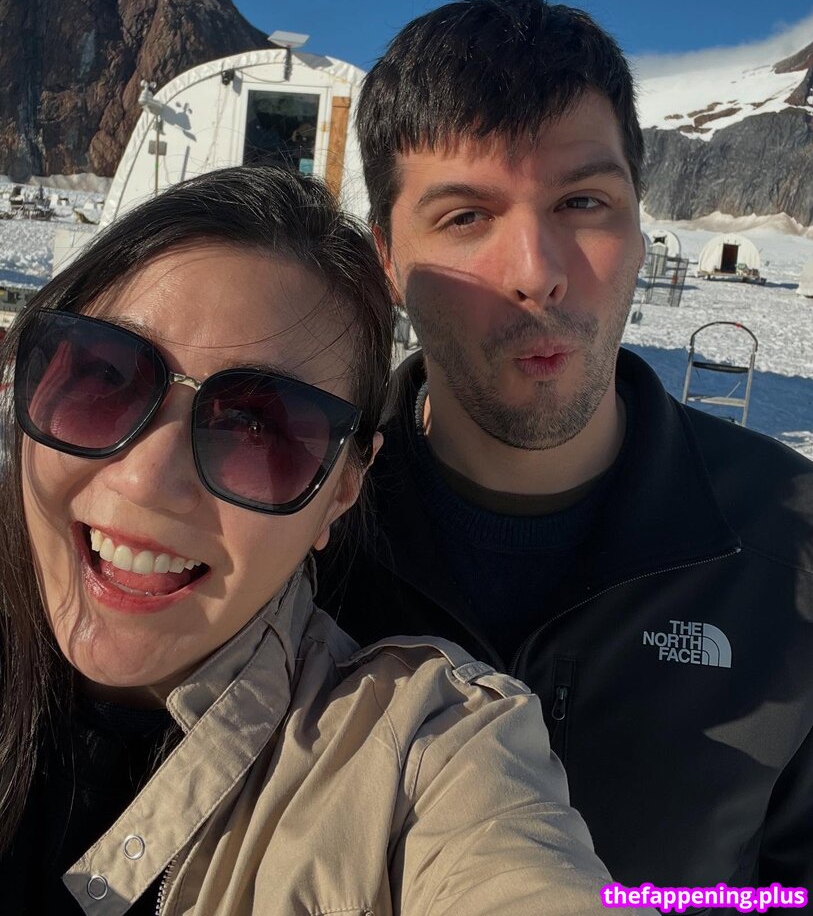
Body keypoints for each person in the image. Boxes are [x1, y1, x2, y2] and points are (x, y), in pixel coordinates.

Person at [0, 164, 623, 915]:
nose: (145, 479)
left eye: (257, 427)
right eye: (106, 376)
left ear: (342, 491)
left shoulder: (420, 758)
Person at [318, 0, 813, 894]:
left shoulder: (792, 556)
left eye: (583, 202)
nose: (537, 272)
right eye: (465, 217)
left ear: (637, 230)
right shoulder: (291, 529)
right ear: (385, 258)